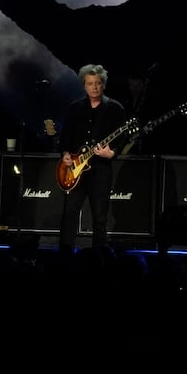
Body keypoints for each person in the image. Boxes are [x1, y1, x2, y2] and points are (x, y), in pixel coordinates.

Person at [57, 63, 127, 253]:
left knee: (100, 216)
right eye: (90, 83)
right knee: (70, 213)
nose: (94, 87)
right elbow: (65, 139)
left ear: (103, 84)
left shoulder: (114, 108)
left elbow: (124, 138)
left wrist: (112, 153)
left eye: (97, 83)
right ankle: (65, 253)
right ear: (84, 85)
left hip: (101, 169)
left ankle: (99, 256)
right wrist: (65, 155)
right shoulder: (75, 108)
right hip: (75, 170)